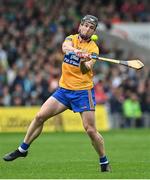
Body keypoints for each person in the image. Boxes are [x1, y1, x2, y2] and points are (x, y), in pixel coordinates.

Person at [3, 15, 111, 172]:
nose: (87, 29)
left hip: (82, 91)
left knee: (90, 130)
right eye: (85, 26)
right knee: (40, 116)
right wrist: (78, 52)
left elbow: (85, 69)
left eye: (91, 28)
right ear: (80, 26)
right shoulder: (71, 38)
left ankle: (104, 162)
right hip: (64, 90)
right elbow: (65, 48)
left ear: (94, 31)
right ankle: (22, 149)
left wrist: (83, 60)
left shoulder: (94, 49)